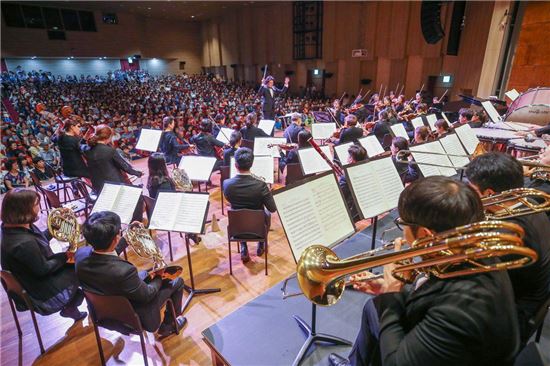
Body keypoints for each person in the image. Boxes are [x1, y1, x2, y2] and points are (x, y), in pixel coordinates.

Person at [328, 176, 520, 366]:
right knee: (373, 308)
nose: (402, 233)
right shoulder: (476, 252)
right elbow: (432, 291)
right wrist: (394, 289)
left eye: (403, 224)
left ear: (425, 235)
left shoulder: (458, 309)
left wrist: (391, 292)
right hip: (459, 347)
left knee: (379, 307)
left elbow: (396, 363)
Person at [465, 152, 550, 344]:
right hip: (528, 298)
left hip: (512, 317)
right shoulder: (530, 207)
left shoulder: (510, 233)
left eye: (472, 191)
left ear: (489, 194)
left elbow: (473, 278)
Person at [75, 211, 186, 337]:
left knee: (145, 273)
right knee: (176, 282)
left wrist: (127, 237)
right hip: (132, 317)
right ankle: (169, 325)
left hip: (101, 311)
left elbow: (106, 254)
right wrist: (160, 275)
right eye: (119, 232)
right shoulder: (124, 272)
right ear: (114, 239)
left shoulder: (80, 255)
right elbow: (148, 295)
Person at [1, 189, 86, 320]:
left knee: (76, 262)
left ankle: (73, 302)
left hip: (31, 277)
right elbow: (43, 269)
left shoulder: (11, 227)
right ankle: (80, 302)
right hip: (41, 288)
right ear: (24, 210)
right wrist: (66, 255)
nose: (39, 207)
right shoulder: (22, 243)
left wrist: (53, 230)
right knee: (84, 264)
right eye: (36, 204)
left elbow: (36, 244)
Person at [223, 148, 277, 263]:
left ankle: (243, 247)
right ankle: (261, 244)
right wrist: (268, 192)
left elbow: (229, 199)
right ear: (251, 164)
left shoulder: (227, 184)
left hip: (237, 228)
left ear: (235, 165)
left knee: (237, 211)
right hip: (257, 228)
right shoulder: (261, 185)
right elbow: (272, 209)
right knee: (265, 213)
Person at [84, 125, 143, 193]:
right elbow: (124, 167)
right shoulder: (110, 151)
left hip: (98, 187)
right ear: (108, 137)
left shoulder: (87, 150)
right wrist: (138, 173)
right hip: (114, 185)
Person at [339, 145, 367, 222]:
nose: (347, 159)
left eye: (349, 157)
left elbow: (341, 195)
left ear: (352, 160)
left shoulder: (345, 177)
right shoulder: (366, 170)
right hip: (363, 207)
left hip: (351, 211)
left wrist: (341, 178)